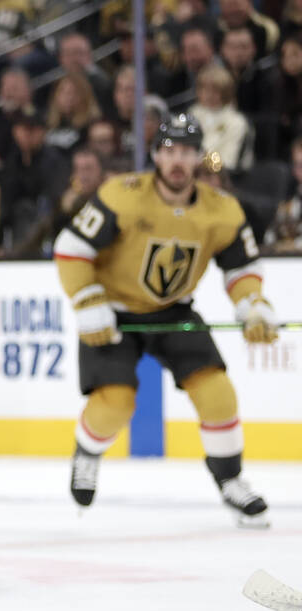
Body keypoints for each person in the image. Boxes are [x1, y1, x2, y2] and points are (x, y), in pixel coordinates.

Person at [52, 113, 278, 526]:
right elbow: (71, 248)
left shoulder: (222, 211)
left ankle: (231, 482)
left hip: (173, 312)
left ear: (199, 159)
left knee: (217, 393)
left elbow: (242, 269)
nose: (178, 160)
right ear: (156, 154)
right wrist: (86, 300)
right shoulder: (122, 195)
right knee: (115, 404)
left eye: (187, 152)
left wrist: (253, 306)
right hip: (113, 313)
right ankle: (87, 452)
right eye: (170, 150)